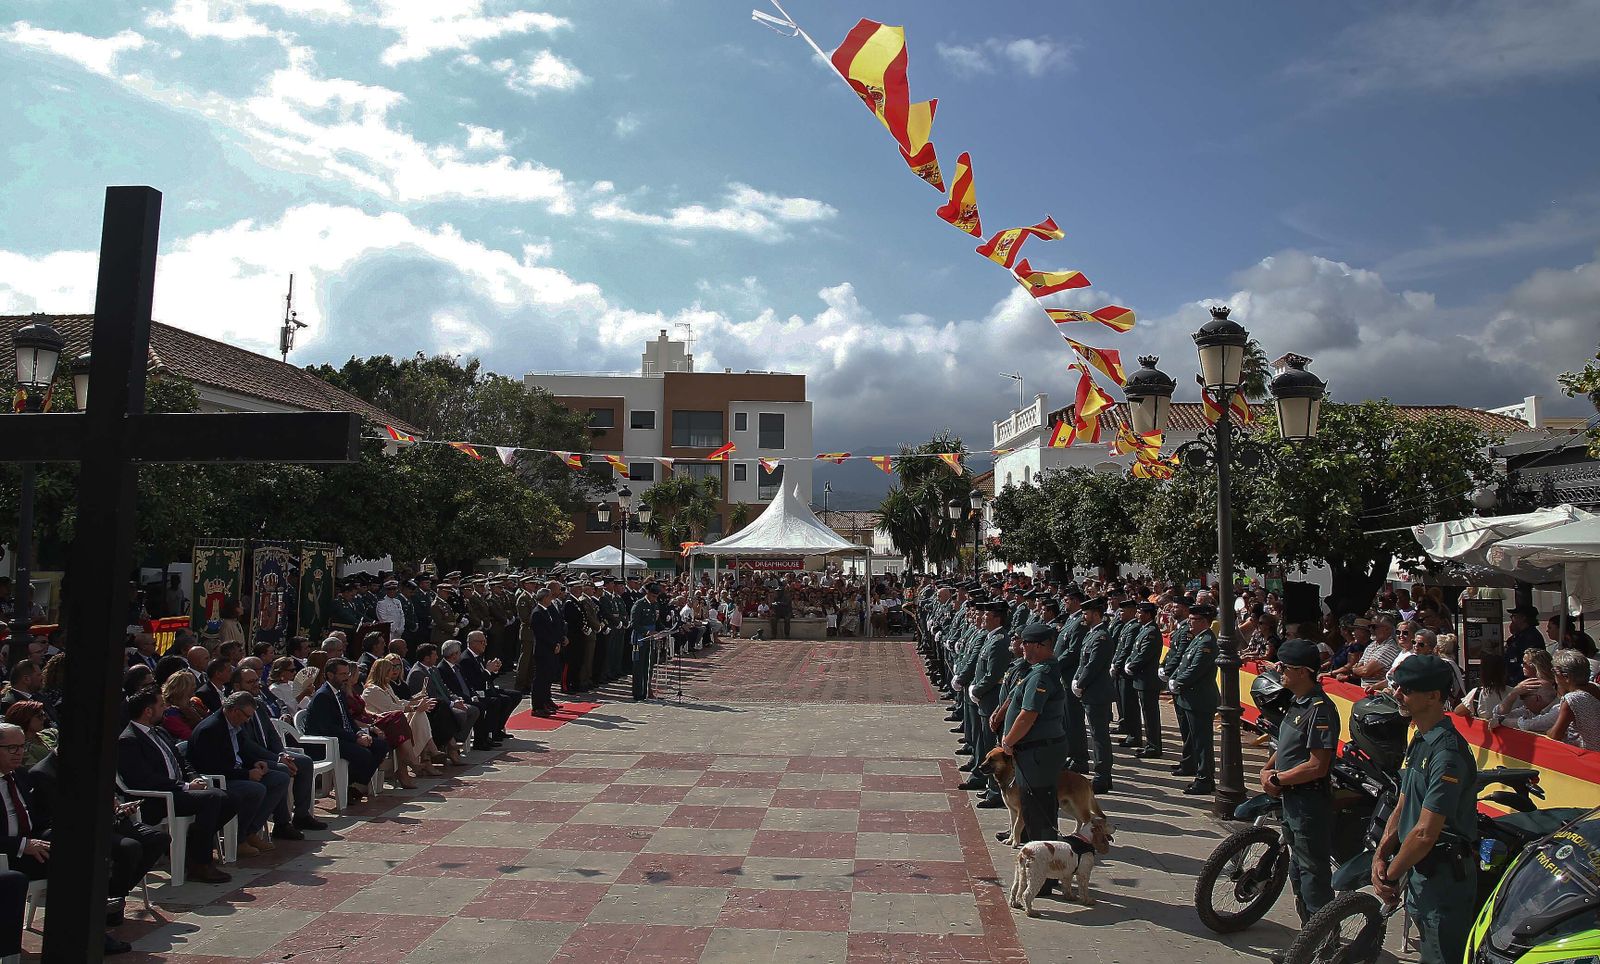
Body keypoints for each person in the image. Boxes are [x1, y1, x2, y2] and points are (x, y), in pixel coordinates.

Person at [1373, 655, 1479, 964]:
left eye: (1406, 690)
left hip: (1444, 877)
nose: (1397, 695)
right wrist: (1382, 852)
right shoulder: (1421, 739)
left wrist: (1390, 876)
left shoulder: (1447, 753)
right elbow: (1405, 801)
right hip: (1420, 870)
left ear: (1433, 696)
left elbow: (1424, 832)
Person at [1262, 639, 1340, 949]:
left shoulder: (1320, 710)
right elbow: (1284, 745)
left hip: (1308, 800)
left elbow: (1317, 765)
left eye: (1285, 667)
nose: (1278, 670)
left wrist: (1279, 779)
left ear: (1303, 672)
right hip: (1291, 798)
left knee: (1313, 875)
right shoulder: (1297, 702)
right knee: (1297, 872)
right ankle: (1308, 937)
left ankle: (1324, 943)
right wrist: (1267, 769)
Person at [117, 688, 236, 883]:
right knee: (213, 798)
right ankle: (200, 862)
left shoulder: (160, 731)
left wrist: (194, 778)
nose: (165, 708)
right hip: (157, 797)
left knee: (230, 799)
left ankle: (191, 847)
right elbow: (143, 779)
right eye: (161, 705)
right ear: (148, 711)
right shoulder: (129, 740)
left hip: (178, 790)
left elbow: (182, 761)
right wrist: (185, 786)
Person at [231, 666, 326, 835]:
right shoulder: (235, 708)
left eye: (257, 681)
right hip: (250, 759)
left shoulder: (258, 703)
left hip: (270, 753)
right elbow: (246, 745)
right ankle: (282, 823)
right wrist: (277, 759)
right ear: (237, 686)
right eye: (250, 682)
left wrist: (281, 753)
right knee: (281, 769)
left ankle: (302, 815)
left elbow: (271, 734)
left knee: (304, 761)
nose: (256, 685)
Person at [302, 659, 388, 800]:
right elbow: (328, 728)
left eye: (347, 673)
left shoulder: (340, 693)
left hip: (342, 737)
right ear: (330, 675)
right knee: (363, 754)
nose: (346, 677)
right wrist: (356, 739)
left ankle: (356, 786)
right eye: (342, 674)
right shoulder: (322, 696)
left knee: (381, 745)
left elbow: (348, 720)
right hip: (325, 742)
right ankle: (346, 787)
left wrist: (360, 733)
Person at [1170, 604, 1220, 795]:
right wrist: (1174, 677)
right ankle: (1199, 773)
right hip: (1190, 697)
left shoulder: (1206, 641)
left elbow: (1196, 668)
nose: (1189, 622)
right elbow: (1184, 661)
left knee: (1202, 743)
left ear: (1204, 621)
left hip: (1199, 698)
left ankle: (1205, 779)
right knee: (1195, 740)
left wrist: (1178, 682)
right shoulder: (1198, 639)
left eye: (1194, 619)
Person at [364, 655, 441, 776]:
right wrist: (415, 707)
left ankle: (427, 755)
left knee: (420, 714)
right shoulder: (371, 690)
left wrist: (417, 704)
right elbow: (391, 708)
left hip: (396, 720)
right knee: (419, 714)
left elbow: (399, 702)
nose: (393, 673)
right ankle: (427, 754)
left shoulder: (387, 686)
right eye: (390, 670)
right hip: (383, 724)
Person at [1072, 596, 1117, 795]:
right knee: (1097, 735)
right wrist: (1076, 679)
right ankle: (1101, 775)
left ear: (1096, 614)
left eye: (1086, 613)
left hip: (1097, 693)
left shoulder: (1101, 637)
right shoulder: (1092, 634)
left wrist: (1080, 684)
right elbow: (1083, 663)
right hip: (1090, 691)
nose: (1084, 616)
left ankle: (1102, 776)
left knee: (1100, 736)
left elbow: (1094, 666)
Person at [1512, 650, 1600, 750]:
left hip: (1588, 754)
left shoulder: (1571, 700)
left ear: (1566, 676)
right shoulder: (1596, 687)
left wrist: (1547, 731)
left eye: (1554, 671)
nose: (1553, 675)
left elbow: (1555, 735)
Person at [1125, 601, 1165, 760]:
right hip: (1141, 678)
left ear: (1148, 614)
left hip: (1147, 679)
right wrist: (1130, 662)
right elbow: (1135, 651)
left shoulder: (1151, 632)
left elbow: (1144, 654)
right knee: (1146, 713)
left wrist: (1131, 666)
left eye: (1140, 612)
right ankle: (1150, 744)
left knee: (1150, 715)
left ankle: (1154, 746)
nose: (1137, 615)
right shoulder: (1144, 630)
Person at [630, 583, 661, 702]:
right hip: (640, 639)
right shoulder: (639, 605)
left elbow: (657, 620)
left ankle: (647, 690)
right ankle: (638, 693)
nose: (655, 599)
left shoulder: (654, 605)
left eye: (656, 597)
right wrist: (647, 632)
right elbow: (634, 623)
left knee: (648, 666)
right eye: (653, 596)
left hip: (650, 639)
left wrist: (664, 630)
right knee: (639, 667)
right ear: (647, 594)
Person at [1503, 604, 1545, 684]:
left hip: (1523, 683)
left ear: (1523, 618)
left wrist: (1516, 682)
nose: (1511, 618)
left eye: (1514, 616)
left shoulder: (1532, 637)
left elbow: (1531, 663)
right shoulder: (1517, 637)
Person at [159, 671, 207, 741]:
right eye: (192, 686)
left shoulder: (196, 702)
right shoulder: (170, 715)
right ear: (182, 690)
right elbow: (190, 737)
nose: (195, 686)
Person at [2, 702, 52, 769]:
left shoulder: (51, 733)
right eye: (39, 716)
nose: (44, 718)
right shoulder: (19, 748)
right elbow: (36, 770)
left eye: (43, 715)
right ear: (25, 719)